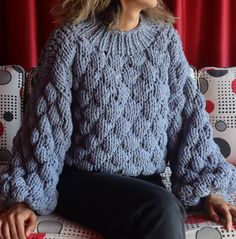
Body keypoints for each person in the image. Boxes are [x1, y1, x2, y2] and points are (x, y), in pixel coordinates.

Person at [0, 0, 236, 238]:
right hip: (81, 180)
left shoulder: (164, 39)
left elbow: (188, 120)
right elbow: (46, 126)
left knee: (165, 206)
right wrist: (25, 197)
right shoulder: (70, 40)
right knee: (161, 208)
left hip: (146, 184)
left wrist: (210, 190)